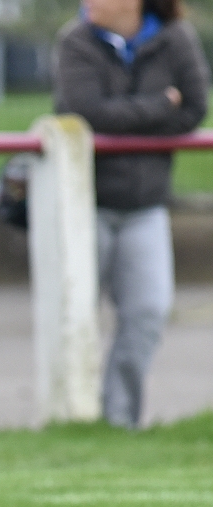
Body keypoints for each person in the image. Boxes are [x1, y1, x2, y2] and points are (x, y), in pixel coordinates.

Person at [55, 0, 208, 428]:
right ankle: (72, 417)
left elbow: (194, 110)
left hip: (145, 205)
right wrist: (160, 105)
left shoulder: (175, 39)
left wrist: (127, 116)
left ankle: (119, 422)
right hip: (86, 206)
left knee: (148, 312)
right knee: (76, 316)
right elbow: (86, 113)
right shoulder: (76, 41)